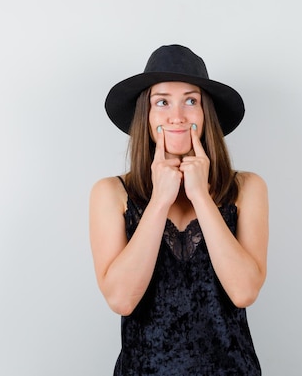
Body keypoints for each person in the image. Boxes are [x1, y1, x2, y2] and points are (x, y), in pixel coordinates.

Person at [89, 44, 269, 375]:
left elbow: (244, 292)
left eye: (190, 101)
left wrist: (200, 195)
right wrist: (160, 200)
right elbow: (121, 300)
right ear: (146, 114)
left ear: (205, 114)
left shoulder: (247, 188)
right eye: (162, 102)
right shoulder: (111, 193)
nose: (177, 116)